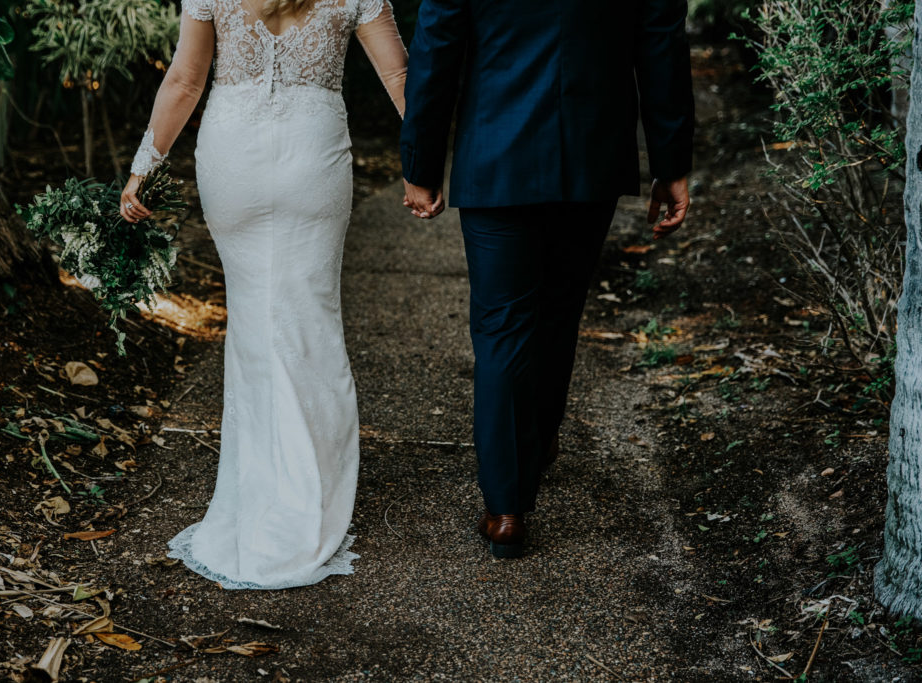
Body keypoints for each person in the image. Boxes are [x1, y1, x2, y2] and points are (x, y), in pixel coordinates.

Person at [119, 0, 407, 589]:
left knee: (253, 324)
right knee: (312, 321)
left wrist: (143, 167)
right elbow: (400, 75)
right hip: (313, 159)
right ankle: (307, 497)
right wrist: (423, 165)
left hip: (234, 160)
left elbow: (185, 80)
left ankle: (261, 492)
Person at [400, 0, 695, 558]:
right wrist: (671, 161)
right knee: (559, 312)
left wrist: (420, 162)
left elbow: (436, 46)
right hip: (591, 151)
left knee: (502, 325)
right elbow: (661, 43)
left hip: (497, 151)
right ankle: (533, 450)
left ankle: (506, 508)